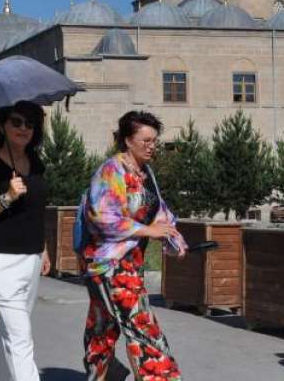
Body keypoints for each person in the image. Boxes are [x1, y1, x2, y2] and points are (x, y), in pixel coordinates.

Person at [81, 111, 186, 381]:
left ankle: (101, 375)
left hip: (130, 264)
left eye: (154, 141)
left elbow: (159, 210)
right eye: (146, 140)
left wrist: (174, 238)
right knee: (143, 328)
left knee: (102, 329)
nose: (152, 146)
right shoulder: (111, 170)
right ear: (128, 140)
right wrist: (148, 230)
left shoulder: (144, 172)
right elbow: (102, 217)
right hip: (111, 265)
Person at [0, 101, 51, 381]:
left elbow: (36, 212)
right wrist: (6, 198)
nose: (24, 128)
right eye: (17, 122)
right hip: (1, 263)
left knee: (8, 333)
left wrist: (44, 249)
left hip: (31, 259)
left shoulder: (36, 162)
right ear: (3, 125)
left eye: (30, 123)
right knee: (20, 338)